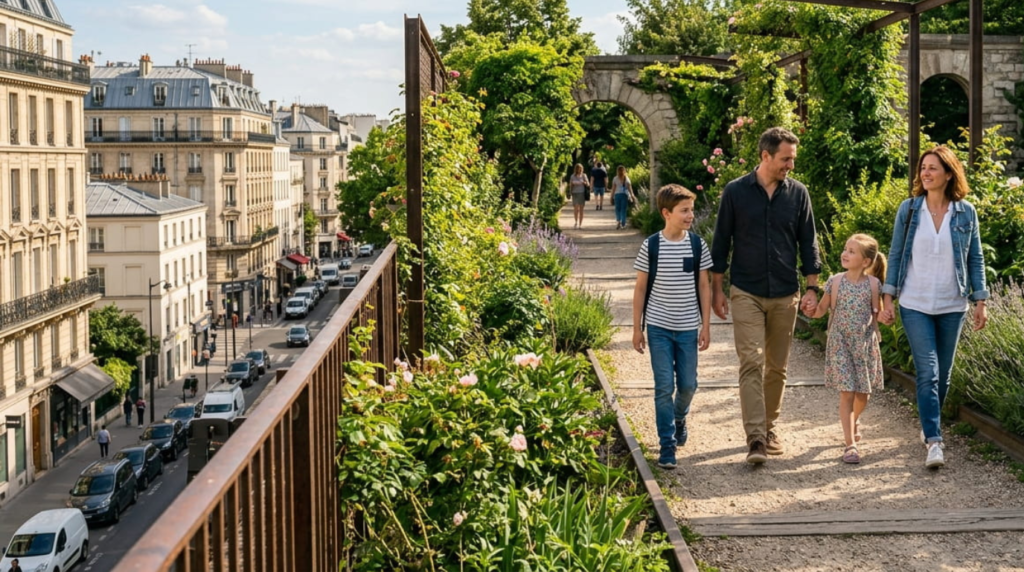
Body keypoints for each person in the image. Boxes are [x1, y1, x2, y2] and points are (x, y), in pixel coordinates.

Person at [710, 127, 822, 465]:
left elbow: (808, 242)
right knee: (752, 362)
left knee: (777, 367)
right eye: (786, 158)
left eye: (793, 159)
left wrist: (813, 287)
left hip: (786, 292)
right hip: (746, 290)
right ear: (765, 156)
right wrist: (717, 289)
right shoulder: (735, 192)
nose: (790, 164)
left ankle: (770, 427)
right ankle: (756, 438)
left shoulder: (798, 194)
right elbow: (721, 242)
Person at [878, 145, 988, 469]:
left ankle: (928, 425)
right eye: (923, 168)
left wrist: (980, 300)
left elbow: (975, 258)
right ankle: (935, 440)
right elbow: (895, 254)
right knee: (928, 371)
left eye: (932, 168)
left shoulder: (965, 212)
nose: (925, 173)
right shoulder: (910, 210)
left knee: (945, 375)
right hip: (915, 303)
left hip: (953, 304)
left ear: (949, 174)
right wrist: (888, 297)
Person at [632, 185, 713, 470]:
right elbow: (640, 289)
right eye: (684, 210)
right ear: (667, 213)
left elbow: (704, 285)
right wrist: (636, 328)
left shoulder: (697, 245)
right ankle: (667, 444)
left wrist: (706, 325)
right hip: (658, 327)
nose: (690, 215)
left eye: (691, 209)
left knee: (689, 385)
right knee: (664, 386)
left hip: (689, 327)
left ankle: (680, 417)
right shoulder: (651, 246)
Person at [806, 234, 886, 464]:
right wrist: (811, 309)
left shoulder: (874, 285)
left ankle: (854, 420)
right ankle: (850, 445)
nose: (845, 253)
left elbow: (877, 313)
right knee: (847, 393)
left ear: (866, 261)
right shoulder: (835, 281)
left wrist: (886, 315)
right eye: (845, 249)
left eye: (852, 251)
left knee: (864, 395)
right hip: (840, 342)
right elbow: (822, 310)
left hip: (863, 344)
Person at [610, 165, 635, 230]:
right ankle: (623, 223)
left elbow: (613, 189)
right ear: (624, 171)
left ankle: (618, 221)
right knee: (623, 210)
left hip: (617, 195)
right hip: (624, 195)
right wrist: (632, 195)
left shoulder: (615, 178)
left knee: (617, 209)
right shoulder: (627, 178)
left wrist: (611, 197)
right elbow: (630, 188)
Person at [567, 163, 590, 229]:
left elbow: (588, 184)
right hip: (575, 193)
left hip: (582, 193)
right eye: (578, 169)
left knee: (581, 209)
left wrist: (583, 182)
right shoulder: (572, 176)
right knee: (576, 208)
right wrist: (570, 192)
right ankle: (576, 222)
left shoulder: (584, 175)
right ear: (576, 169)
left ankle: (580, 224)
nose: (579, 170)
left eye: (580, 169)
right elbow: (570, 184)